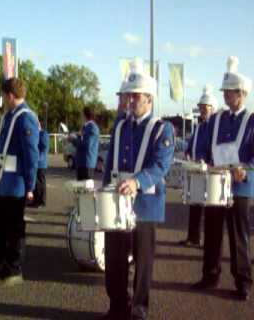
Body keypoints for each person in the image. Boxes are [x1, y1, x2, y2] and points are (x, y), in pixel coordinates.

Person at [102, 59, 175, 319]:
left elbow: (161, 166)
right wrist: (102, 194)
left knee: (143, 265)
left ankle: (139, 311)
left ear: (149, 98)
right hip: (117, 204)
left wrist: (137, 182)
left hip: (146, 205)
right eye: (128, 96)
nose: (130, 101)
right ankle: (117, 306)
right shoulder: (120, 126)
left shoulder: (162, 128)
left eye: (135, 97)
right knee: (114, 261)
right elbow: (110, 163)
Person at [192, 56, 253, 301]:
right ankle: (210, 275)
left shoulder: (252, 121)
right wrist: (201, 161)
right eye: (225, 92)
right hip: (216, 184)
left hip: (240, 187)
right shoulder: (216, 119)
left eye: (231, 93)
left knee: (239, 236)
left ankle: (243, 281)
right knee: (213, 233)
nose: (227, 96)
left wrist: (246, 169)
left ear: (243, 94)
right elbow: (204, 146)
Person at [0, 77, 39, 288]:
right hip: (2, 181)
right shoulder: (10, 115)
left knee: (14, 230)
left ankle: (13, 269)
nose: (2, 100)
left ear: (10, 96)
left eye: (3, 96)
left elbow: (31, 155)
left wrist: (31, 186)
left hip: (16, 185)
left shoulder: (26, 118)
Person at [178, 86, 217, 247]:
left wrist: (209, 163)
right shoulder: (200, 127)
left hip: (209, 172)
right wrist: (187, 154)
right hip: (195, 170)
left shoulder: (215, 127)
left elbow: (216, 149)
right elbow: (191, 145)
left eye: (204, 107)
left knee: (209, 209)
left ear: (212, 108)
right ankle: (193, 237)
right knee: (194, 205)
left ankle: (208, 241)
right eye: (200, 107)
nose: (202, 110)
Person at [70, 106, 100, 180]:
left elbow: (87, 144)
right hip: (82, 163)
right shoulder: (86, 127)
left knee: (86, 189)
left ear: (84, 115)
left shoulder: (92, 127)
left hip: (87, 163)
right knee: (80, 189)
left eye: (81, 114)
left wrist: (73, 139)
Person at [29, 121, 49, 208]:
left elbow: (44, 148)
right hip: (35, 162)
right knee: (36, 183)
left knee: (41, 183)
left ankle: (42, 201)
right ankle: (36, 200)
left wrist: (38, 158)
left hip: (40, 162)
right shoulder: (35, 134)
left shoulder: (43, 133)